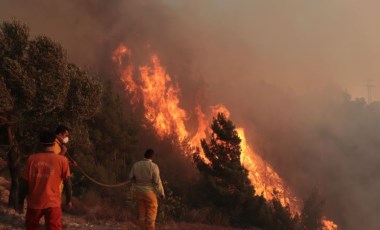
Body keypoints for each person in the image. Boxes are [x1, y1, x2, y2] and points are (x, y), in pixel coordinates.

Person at [18, 131, 72, 230]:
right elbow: (68, 182)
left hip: (34, 203)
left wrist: (20, 201)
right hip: (53, 203)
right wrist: (69, 200)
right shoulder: (62, 160)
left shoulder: (32, 159)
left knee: (31, 227)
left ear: (40, 143)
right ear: (54, 142)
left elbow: (24, 183)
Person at [129, 149, 165, 230]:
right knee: (151, 215)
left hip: (139, 193)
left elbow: (131, 177)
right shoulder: (154, 166)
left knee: (142, 214)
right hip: (150, 194)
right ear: (152, 156)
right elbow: (157, 182)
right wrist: (161, 194)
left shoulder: (136, 165)